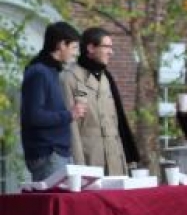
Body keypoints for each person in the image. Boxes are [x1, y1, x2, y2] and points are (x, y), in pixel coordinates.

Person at [60, 28, 141, 177]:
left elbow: (118, 123)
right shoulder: (70, 78)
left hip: (116, 160)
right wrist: (80, 167)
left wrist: (126, 159)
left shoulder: (106, 78)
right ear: (91, 48)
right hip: (91, 160)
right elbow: (72, 127)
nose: (111, 52)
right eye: (107, 47)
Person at [20, 21, 87, 181]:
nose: (76, 53)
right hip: (49, 154)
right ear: (61, 45)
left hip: (56, 153)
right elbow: (34, 116)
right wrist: (69, 114)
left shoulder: (51, 71)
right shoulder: (39, 72)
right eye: (74, 48)